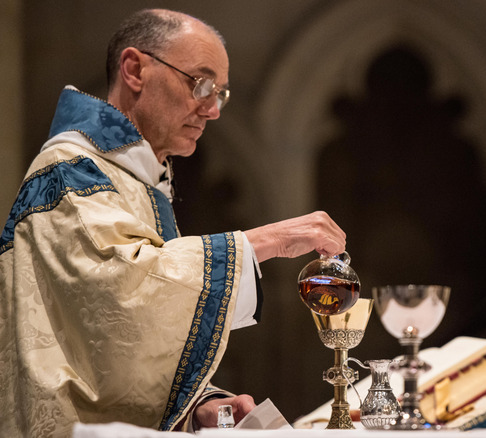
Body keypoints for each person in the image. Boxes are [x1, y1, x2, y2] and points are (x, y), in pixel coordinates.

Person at [0, 9, 346, 438]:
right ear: (134, 69)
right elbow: (120, 294)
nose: (212, 110)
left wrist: (198, 405)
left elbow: (115, 356)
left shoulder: (132, 177)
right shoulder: (70, 171)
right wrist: (262, 242)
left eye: (220, 94)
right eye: (200, 84)